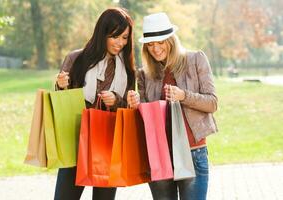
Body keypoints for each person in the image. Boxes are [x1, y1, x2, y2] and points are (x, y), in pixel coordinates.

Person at [127, 12, 218, 200]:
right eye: (150, 44)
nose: (155, 48)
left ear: (171, 40)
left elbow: (212, 103)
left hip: (193, 152)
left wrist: (183, 95)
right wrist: (136, 106)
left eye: (160, 42)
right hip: (159, 154)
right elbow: (145, 119)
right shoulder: (144, 74)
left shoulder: (196, 60)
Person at [55, 7, 135, 200]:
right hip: (76, 142)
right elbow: (62, 104)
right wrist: (61, 86)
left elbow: (128, 108)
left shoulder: (127, 68)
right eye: (115, 37)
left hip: (108, 144)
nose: (120, 43)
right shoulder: (76, 59)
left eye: (124, 38)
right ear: (102, 33)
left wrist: (116, 100)